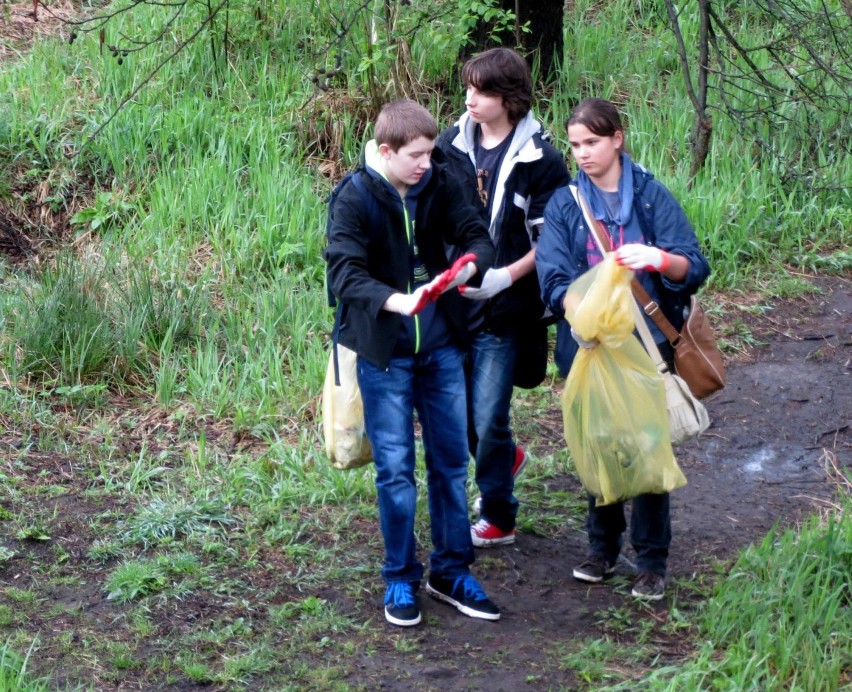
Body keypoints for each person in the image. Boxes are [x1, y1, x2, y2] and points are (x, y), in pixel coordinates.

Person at [324, 99, 500, 627]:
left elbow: (477, 235)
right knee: (396, 471)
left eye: (430, 152)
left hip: (443, 347)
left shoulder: (441, 181)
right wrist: (395, 300)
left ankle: (451, 572)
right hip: (385, 355)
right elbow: (343, 276)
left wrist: (469, 267)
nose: (427, 162)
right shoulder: (353, 197)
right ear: (386, 151)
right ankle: (400, 578)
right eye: (416, 155)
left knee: (450, 463)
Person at [536, 98, 711, 600]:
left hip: (648, 342)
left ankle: (652, 560)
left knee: (650, 445)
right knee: (601, 443)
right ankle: (602, 548)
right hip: (589, 345)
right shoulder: (567, 203)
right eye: (574, 145)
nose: (582, 153)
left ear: (617, 139)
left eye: (591, 142)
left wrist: (658, 257)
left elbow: (693, 265)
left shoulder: (652, 197)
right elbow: (552, 277)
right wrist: (577, 314)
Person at [436, 47, 570, 548]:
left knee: (489, 416)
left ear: (509, 97)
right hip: (453, 304)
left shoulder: (542, 158)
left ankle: (499, 514)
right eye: (467, 87)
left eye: (482, 90)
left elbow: (550, 241)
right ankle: (504, 458)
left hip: (506, 309)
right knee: (463, 415)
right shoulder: (448, 145)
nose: (469, 98)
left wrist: (502, 278)